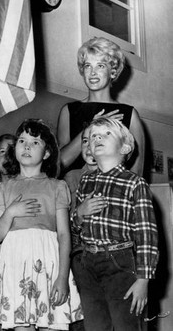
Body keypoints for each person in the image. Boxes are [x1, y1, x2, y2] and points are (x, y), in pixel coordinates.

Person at [0, 119, 83, 330]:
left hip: (49, 264)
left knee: (52, 324)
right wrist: (11, 213)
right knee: (21, 326)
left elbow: (63, 235)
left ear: (47, 153)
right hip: (15, 266)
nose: (26, 146)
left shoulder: (57, 187)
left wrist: (62, 276)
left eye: (35, 142)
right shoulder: (3, 189)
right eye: (22, 140)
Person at [72, 116, 159, 331]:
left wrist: (143, 279)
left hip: (120, 263)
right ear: (89, 148)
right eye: (93, 136)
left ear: (125, 146)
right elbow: (76, 229)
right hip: (87, 262)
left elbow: (146, 234)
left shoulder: (135, 183)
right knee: (95, 326)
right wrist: (78, 214)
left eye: (106, 134)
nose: (98, 137)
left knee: (126, 324)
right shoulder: (85, 181)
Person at [57, 37, 145, 177]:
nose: (92, 72)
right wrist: (90, 129)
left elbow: (137, 169)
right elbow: (59, 163)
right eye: (88, 66)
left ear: (113, 72)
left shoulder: (129, 114)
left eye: (100, 66)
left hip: (115, 192)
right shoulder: (69, 110)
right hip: (75, 191)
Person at [64, 125, 97, 331]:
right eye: (85, 141)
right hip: (81, 262)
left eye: (97, 139)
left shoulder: (124, 180)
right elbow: (62, 227)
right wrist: (78, 215)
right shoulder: (71, 178)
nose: (90, 146)